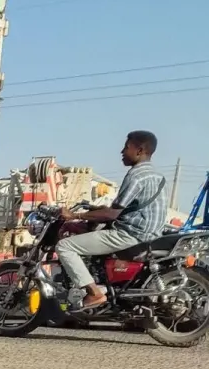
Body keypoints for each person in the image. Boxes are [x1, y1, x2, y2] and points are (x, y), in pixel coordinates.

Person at [57, 131, 168, 309]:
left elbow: (112, 214)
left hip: (131, 235)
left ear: (139, 150)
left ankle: (94, 293)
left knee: (64, 246)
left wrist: (74, 216)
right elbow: (127, 207)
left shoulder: (136, 176)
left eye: (126, 147)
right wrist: (93, 210)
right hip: (151, 235)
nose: (122, 151)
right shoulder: (158, 176)